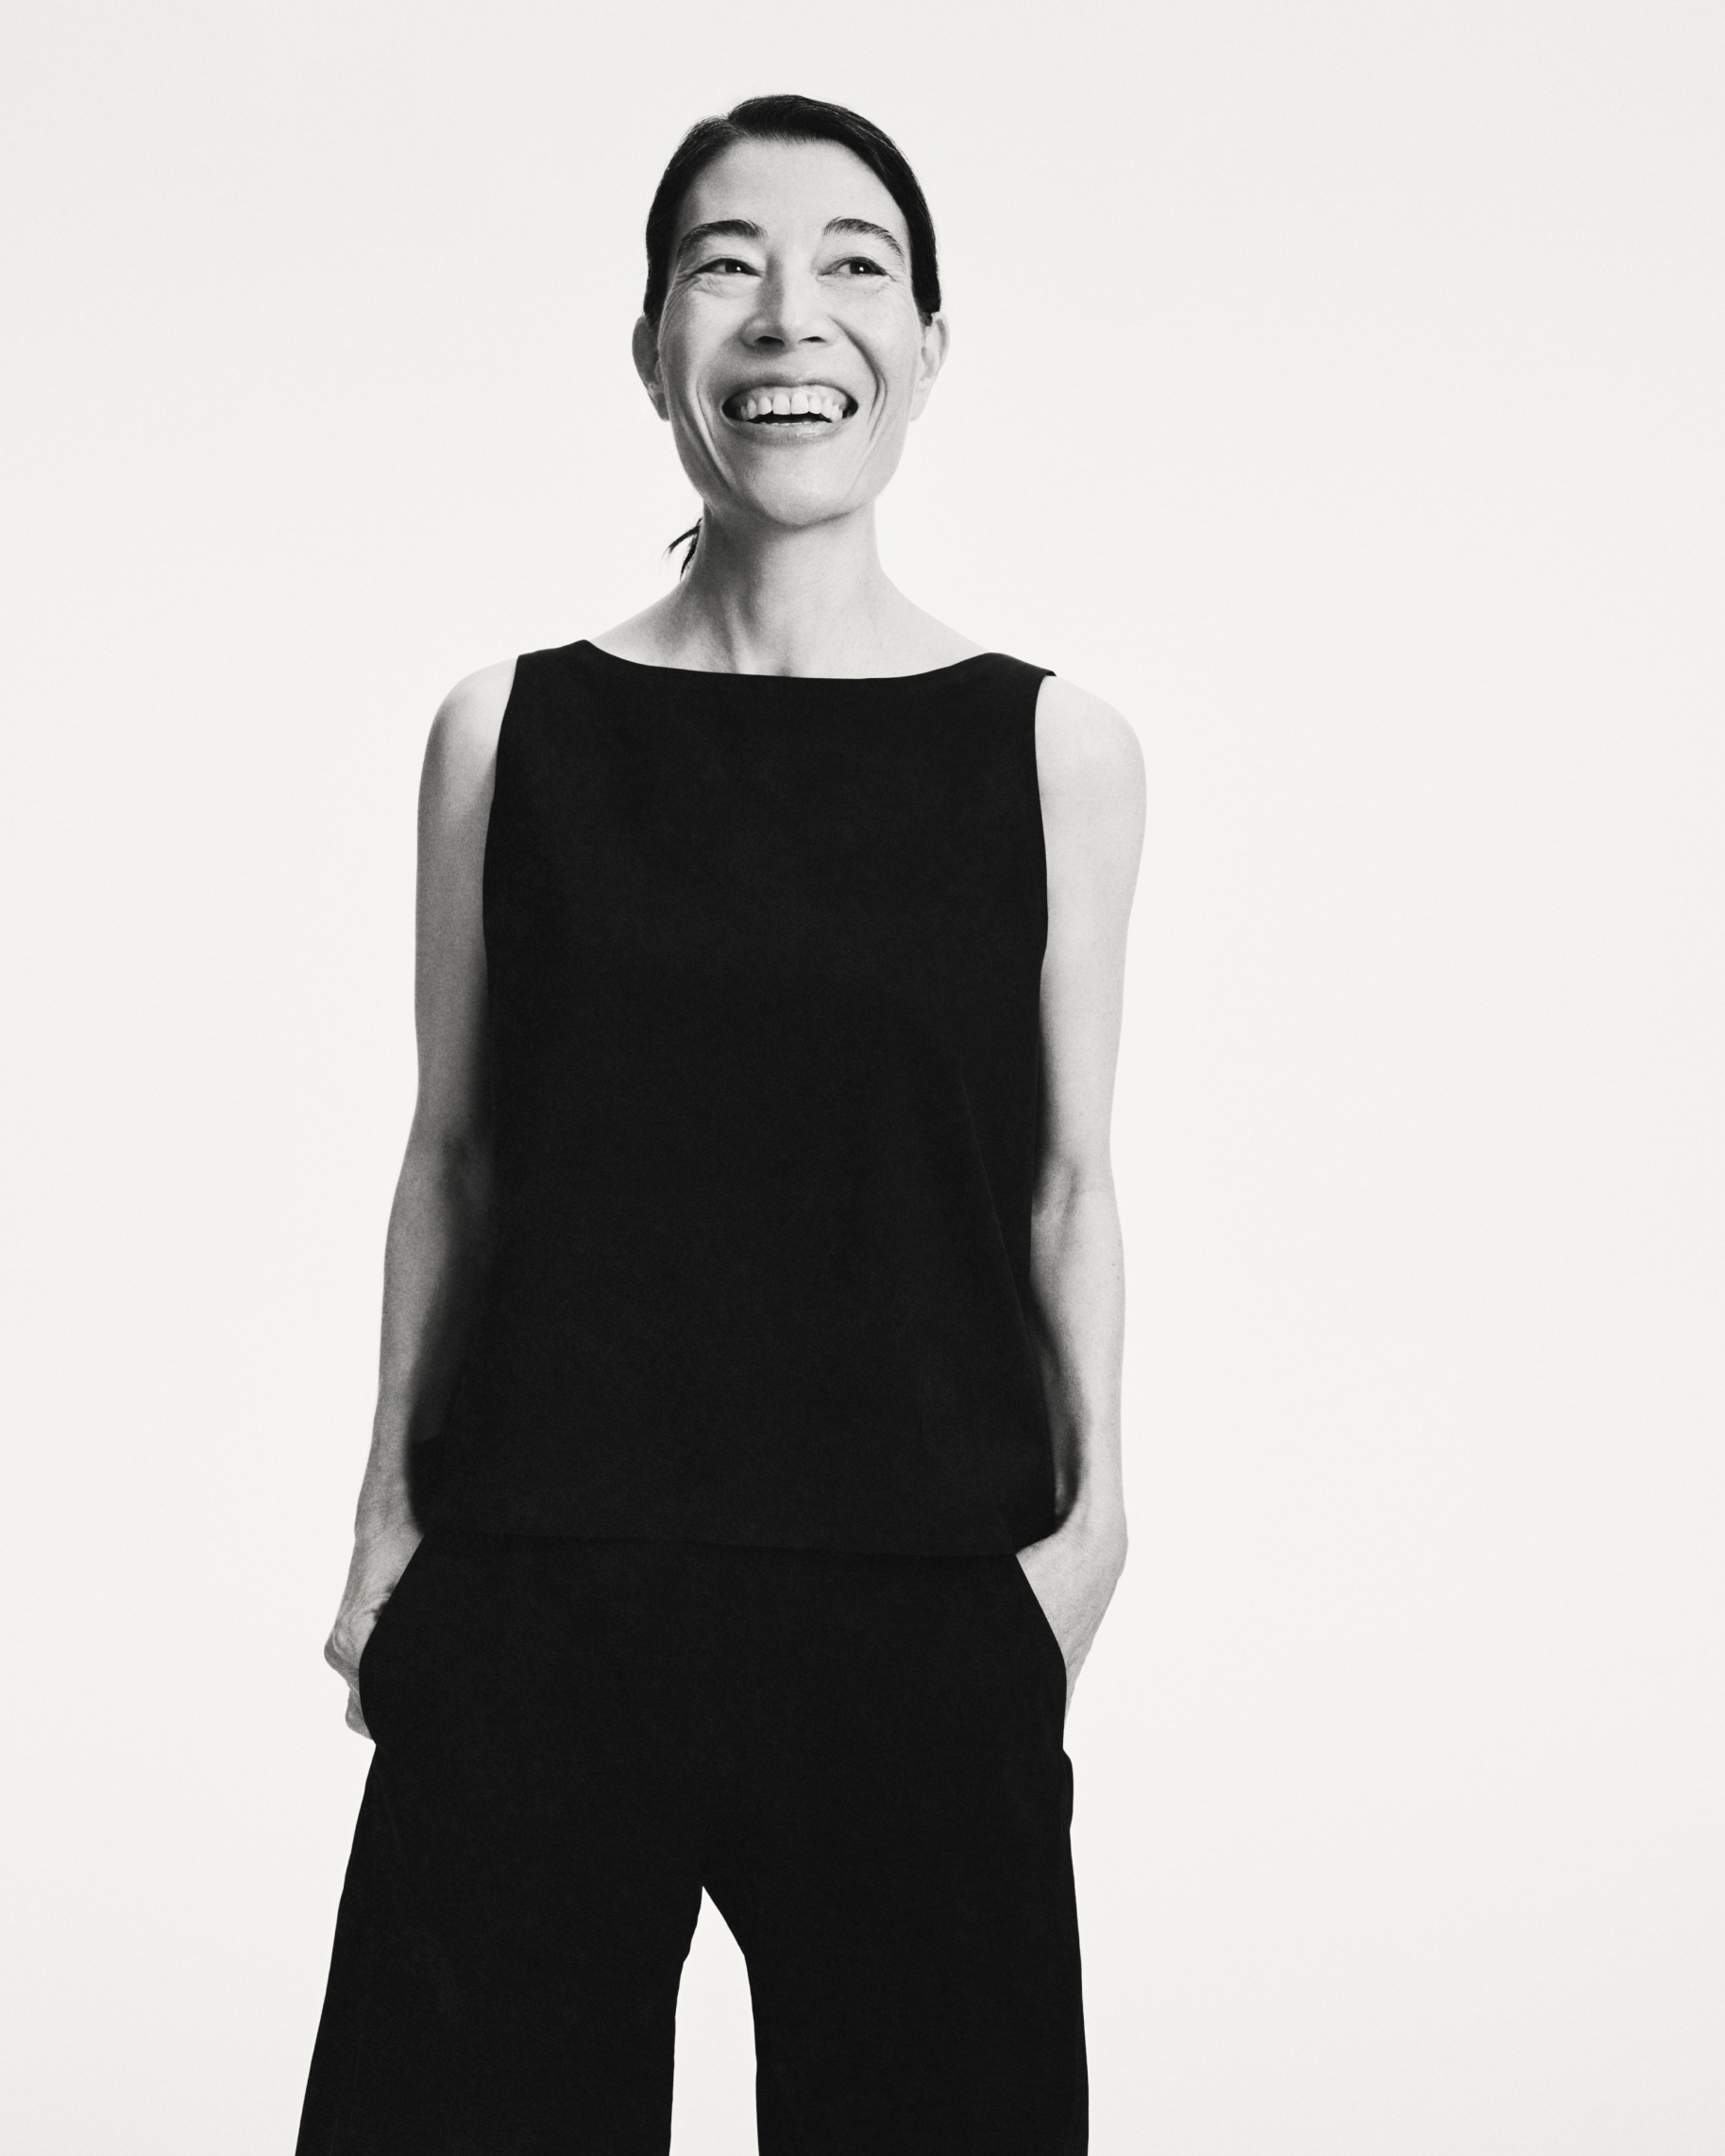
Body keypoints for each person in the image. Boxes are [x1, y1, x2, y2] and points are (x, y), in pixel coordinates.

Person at [297, 92, 1144, 2156]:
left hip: (918, 1597)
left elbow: (1061, 1183)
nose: (789, 316)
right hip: (540, 1581)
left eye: (854, 265)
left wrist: (1088, 1536)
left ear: (928, 346)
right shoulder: (508, 731)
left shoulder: (1052, 749)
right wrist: (388, 1520)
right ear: (651, 340)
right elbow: (453, 1155)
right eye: (725, 265)